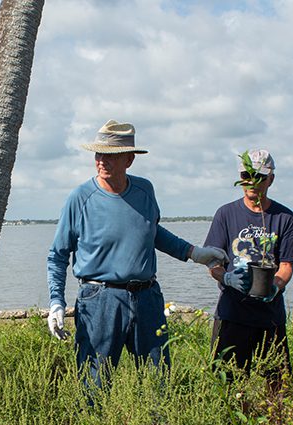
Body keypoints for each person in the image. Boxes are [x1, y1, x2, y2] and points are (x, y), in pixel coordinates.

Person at [46, 120, 228, 389]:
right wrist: (56, 302)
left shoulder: (145, 191)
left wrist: (193, 253)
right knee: (93, 385)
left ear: (129, 159)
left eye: (111, 155)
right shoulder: (79, 198)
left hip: (147, 298)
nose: (102, 161)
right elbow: (57, 255)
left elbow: (150, 232)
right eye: (99, 154)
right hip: (99, 300)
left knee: (158, 381)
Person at [204, 149, 293, 390]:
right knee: (228, 384)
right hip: (232, 314)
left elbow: (287, 265)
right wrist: (226, 278)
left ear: (271, 179)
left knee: (278, 385)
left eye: (259, 176)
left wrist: (276, 286)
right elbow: (212, 263)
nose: (252, 182)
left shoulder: (284, 217)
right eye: (246, 175)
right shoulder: (225, 214)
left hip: (271, 317)